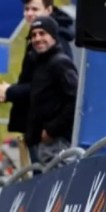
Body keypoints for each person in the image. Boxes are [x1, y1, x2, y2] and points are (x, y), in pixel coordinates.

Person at [0, 0, 75, 163]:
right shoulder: (40, 49)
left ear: (49, 10)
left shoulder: (59, 52)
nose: (29, 14)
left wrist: (10, 92)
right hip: (36, 133)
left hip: (52, 139)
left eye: (35, 9)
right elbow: (39, 84)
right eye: (26, 9)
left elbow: (68, 97)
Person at [24, 16, 78, 166]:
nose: (37, 38)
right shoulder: (40, 64)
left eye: (42, 33)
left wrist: (51, 131)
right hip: (41, 146)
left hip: (57, 145)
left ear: (53, 36)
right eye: (34, 35)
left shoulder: (60, 63)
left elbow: (75, 101)